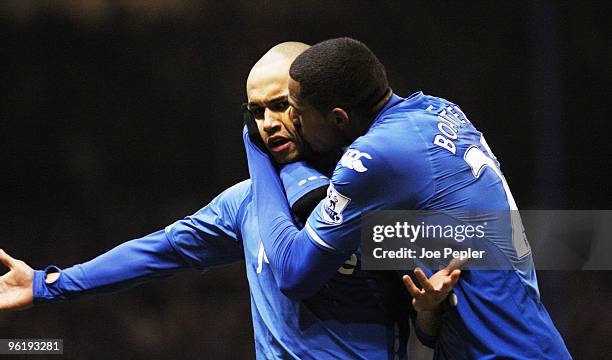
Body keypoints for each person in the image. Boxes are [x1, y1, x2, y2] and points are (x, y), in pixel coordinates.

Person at [0, 42, 459, 359]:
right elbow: (159, 250)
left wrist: (430, 313)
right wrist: (46, 284)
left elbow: (429, 319)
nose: (268, 124)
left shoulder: (377, 193)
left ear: (315, 100)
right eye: (256, 112)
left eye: (281, 105)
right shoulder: (247, 203)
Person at [243, 37, 572, 359]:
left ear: (338, 117)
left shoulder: (373, 158)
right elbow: (442, 294)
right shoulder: (439, 111)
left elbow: (293, 272)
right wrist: (428, 314)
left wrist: (255, 147)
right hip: (520, 342)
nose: (290, 123)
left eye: (296, 112)